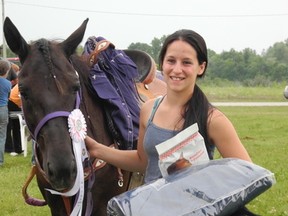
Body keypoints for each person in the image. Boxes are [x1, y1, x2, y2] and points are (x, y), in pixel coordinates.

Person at [85, 29, 251, 182]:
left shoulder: (213, 120)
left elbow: (248, 173)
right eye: (171, 61)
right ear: (162, 64)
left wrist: (208, 186)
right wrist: (98, 150)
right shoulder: (148, 110)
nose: (177, 69)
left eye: (186, 62)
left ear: (201, 67)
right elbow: (143, 162)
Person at [0, 60, 12, 166]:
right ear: (7, 71)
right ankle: (0, 160)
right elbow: (9, 96)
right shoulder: (8, 84)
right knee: (2, 136)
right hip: (3, 109)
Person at [5, 83, 23, 155]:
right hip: (11, 102)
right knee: (10, 127)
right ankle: (9, 148)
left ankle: (17, 148)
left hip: (12, 102)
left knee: (16, 127)